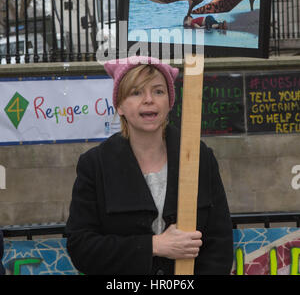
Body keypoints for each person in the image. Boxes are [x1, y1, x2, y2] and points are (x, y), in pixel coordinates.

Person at [66, 56, 233, 275]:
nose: (149, 100)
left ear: (169, 102)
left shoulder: (200, 157)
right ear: (120, 106)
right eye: (136, 92)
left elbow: (219, 243)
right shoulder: (95, 165)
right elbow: (81, 247)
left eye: (158, 91)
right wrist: (154, 246)